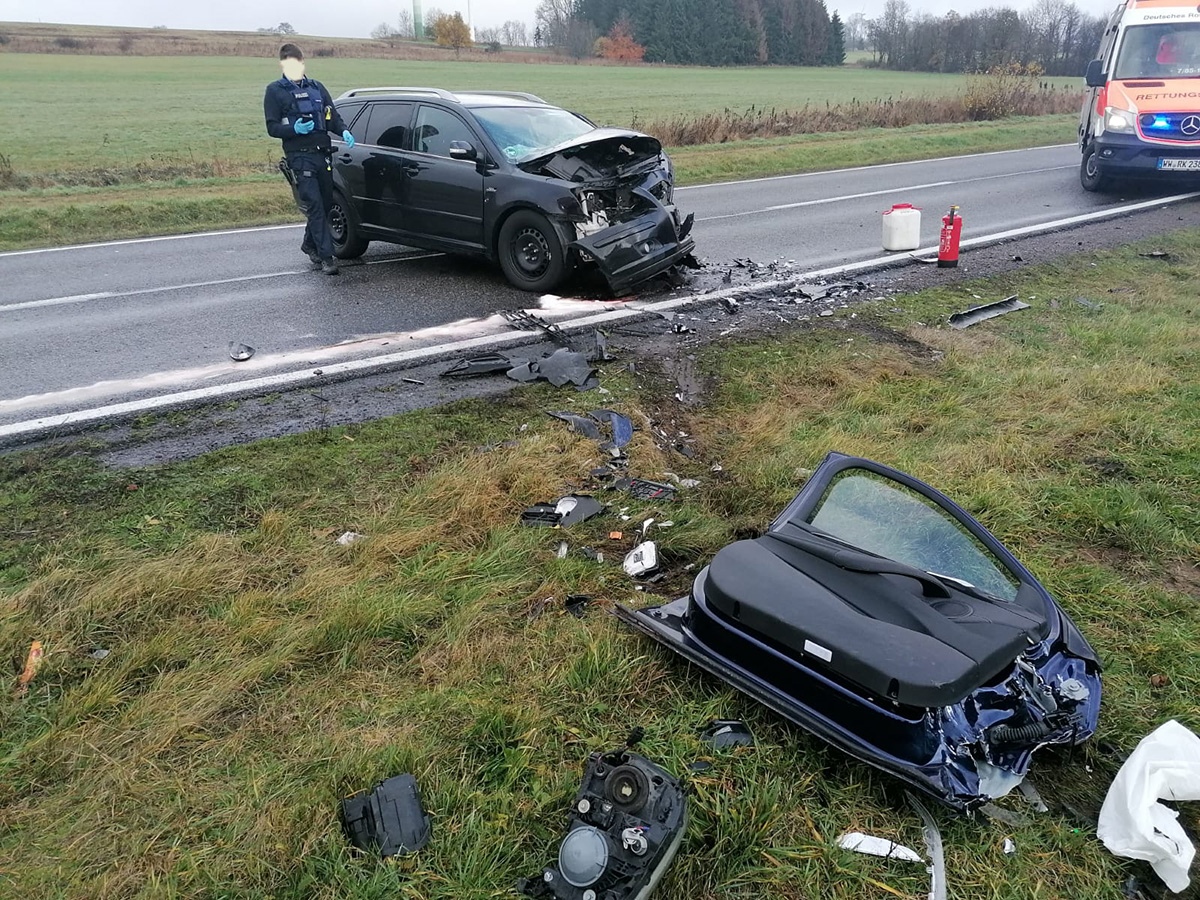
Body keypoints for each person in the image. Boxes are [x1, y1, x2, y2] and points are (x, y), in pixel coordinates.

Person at [263, 43, 354, 275]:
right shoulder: (275, 91)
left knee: (324, 204)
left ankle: (309, 244)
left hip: (322, 155)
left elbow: (331, 115)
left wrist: (342, 130)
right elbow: (272, 127)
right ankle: (327, 257)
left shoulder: (317, 88)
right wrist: (295, 128)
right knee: (314, 205)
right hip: (300, 158)